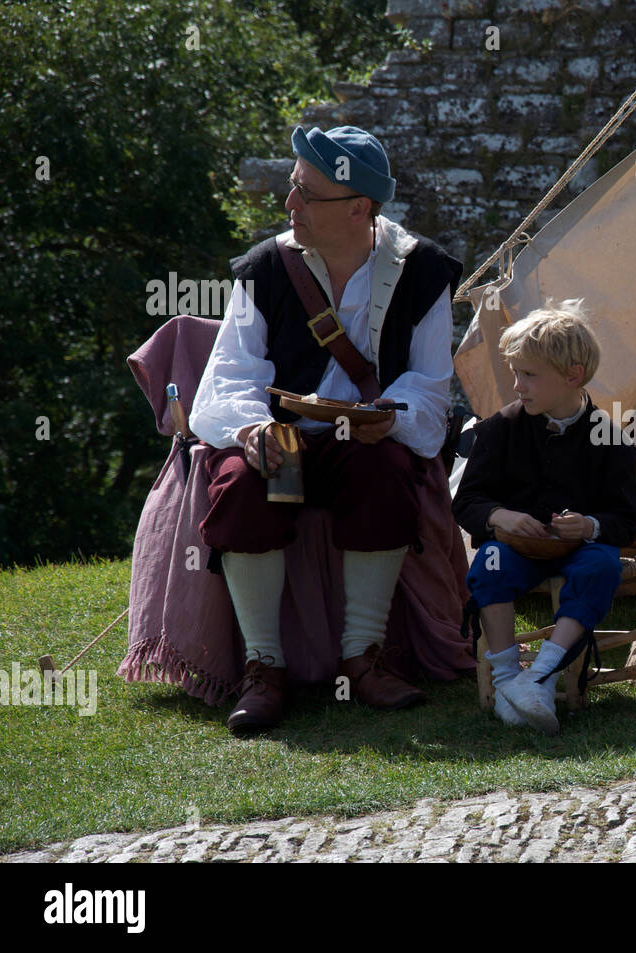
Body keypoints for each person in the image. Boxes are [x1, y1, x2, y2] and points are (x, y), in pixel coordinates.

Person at [189, 124, 463, 734]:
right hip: (281, 436)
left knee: (386, 474)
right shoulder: (265, 268)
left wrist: (386, 417)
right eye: (293, 188)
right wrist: (254, 430)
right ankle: (264, 668)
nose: (291, 206)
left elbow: (428, 386)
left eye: (307, 195)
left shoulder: (423, 273)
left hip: (365, 439)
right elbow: (229, 376)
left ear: (360, 208)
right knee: (243, 484)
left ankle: (363, 658)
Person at [452, 300, 636, 735]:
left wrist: (590, 526)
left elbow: (626, 521)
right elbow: (467, 502)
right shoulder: (498, 430)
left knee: (600, 565)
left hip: (579, 552)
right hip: (516, 551)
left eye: (529, 375)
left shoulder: (610, 438)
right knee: (491, 563)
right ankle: (505, 684)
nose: (517, 385)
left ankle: (540, 677)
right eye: (515, 373)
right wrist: (502, 517)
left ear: (573, 376)